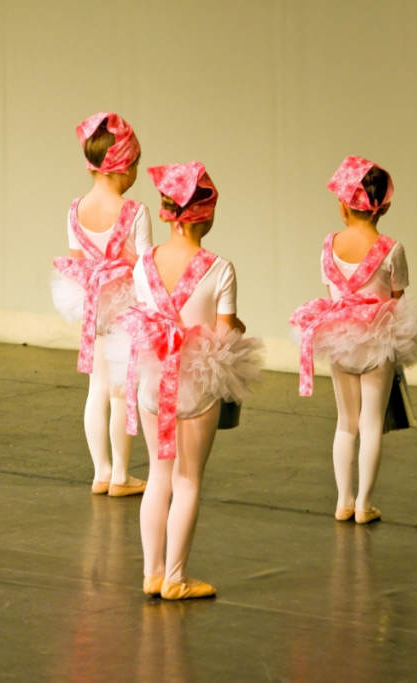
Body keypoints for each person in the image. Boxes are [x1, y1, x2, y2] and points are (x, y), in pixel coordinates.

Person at [110, 161, 263, 599]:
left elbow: (148, 315)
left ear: (165, 212)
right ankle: (176, 578)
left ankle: (152, 572)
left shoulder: (144, 262)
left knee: (158, 476)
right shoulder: (220, 268)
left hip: (152, 374)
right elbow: (226, 330)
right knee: (188, 480)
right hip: (196, 378)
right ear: (207, 214)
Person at [290, 157, 417, 524]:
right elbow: (397, 299)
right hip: (379, 339)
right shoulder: (391, 248)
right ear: (383, 206)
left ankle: (343, 500)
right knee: (371, 424)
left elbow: (334, 291)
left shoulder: (329, 245)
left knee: (345, 423)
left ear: (342, 205)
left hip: (339, 337)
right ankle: (364, 504)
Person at [52, 112, 152, 497]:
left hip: (91, 301)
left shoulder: (75, 209)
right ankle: (122, 474)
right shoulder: (134, 211)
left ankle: (102, 471)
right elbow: (144, 266)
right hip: (127, 302)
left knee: (96, 388)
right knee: (121, 390)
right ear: (123, 166)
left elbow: (77, 262)